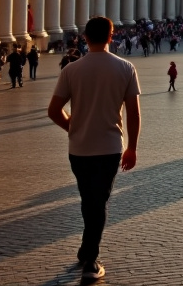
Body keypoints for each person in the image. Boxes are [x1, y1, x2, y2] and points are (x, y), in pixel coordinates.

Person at [46, 17, 140, 283]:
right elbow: (133, 113)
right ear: (111, 36)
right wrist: (132, 148)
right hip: (110, 147)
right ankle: (90, 260)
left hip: (79, 148)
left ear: (85, 38)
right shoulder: (125, 67)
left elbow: (54, 110)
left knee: (90, 199)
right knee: (97, 201)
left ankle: (86, 249)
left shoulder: (72, 70)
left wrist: (72, 128)